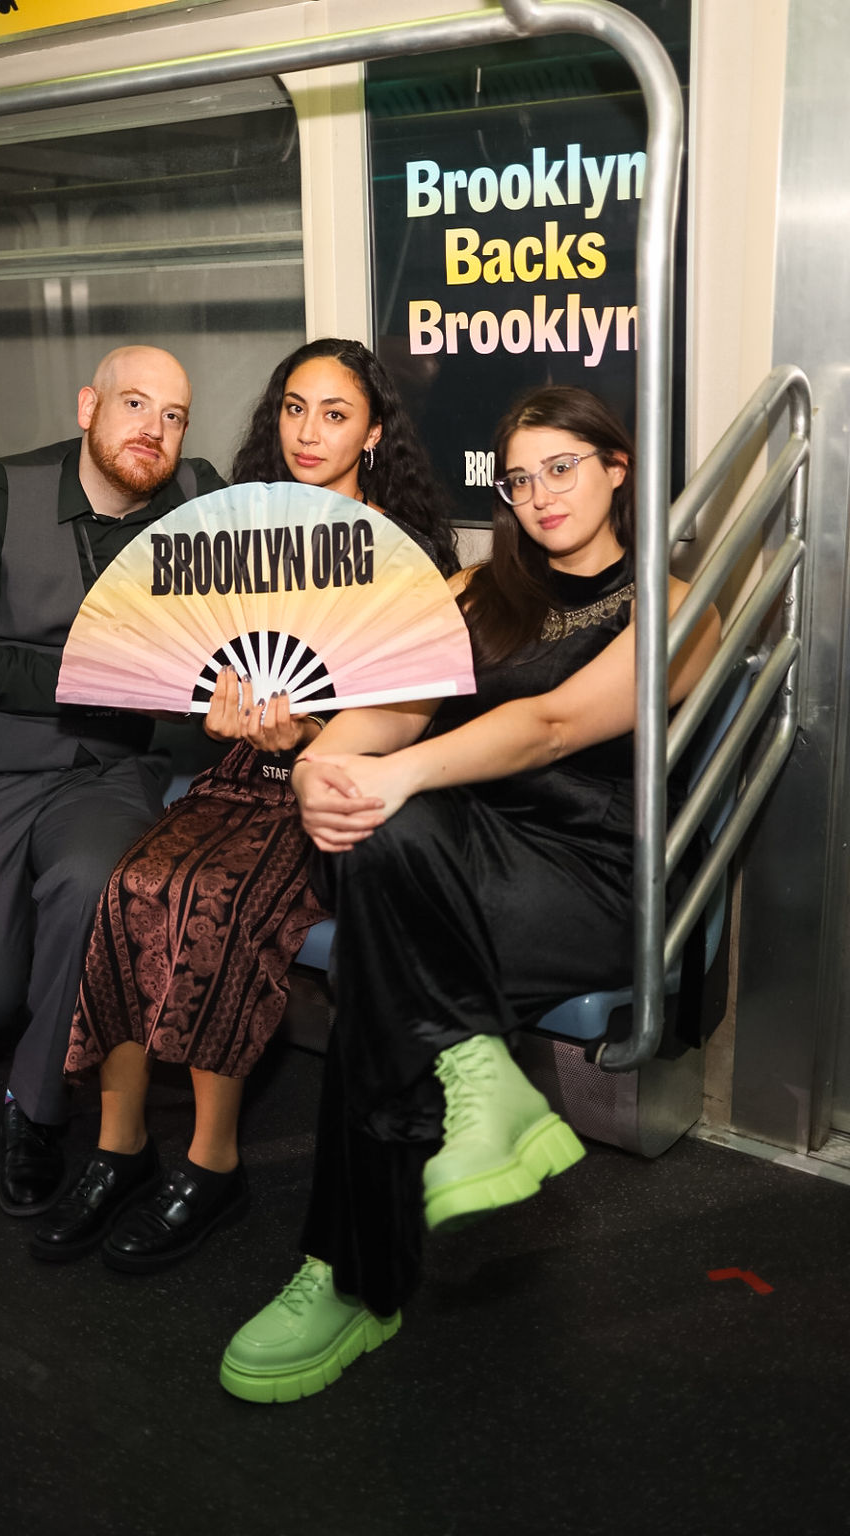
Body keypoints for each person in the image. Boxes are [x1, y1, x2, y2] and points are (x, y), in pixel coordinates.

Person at [217, 384, 721, 1403]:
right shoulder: (477, 591)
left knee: (380, 949)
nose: (540, 496)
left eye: (562, 469)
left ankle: (351, 1276)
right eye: (521, 480)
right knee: (379, 841)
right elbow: (393, 710)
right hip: (458, 855)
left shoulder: (676, 608)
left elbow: (554, 724)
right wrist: (322, 765)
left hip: (592, 874)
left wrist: (392, 778)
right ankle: (475, 1070)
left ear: (617, 469)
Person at [29, 337, 458, 1268]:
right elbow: (197, 661)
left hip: (336, 789)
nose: (309, 432)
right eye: (295, 409)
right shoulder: (241, 537)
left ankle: (212, 1162)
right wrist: (222, 716)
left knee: (213, 898)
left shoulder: (406, 555)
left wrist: (309, 736)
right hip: (238, 772)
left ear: (373, 433)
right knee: (128, 884)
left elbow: (411, 718)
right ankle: (118, 1145)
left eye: (336, 415)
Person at [0, 345, 226, 1216]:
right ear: (88, 407)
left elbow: (243, 617)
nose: (153, 429)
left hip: (103, 772)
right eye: (134, 404)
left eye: (173, 416)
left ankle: (36, 1108)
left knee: (93, 882)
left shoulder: (199, 502)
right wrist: (102, 675)